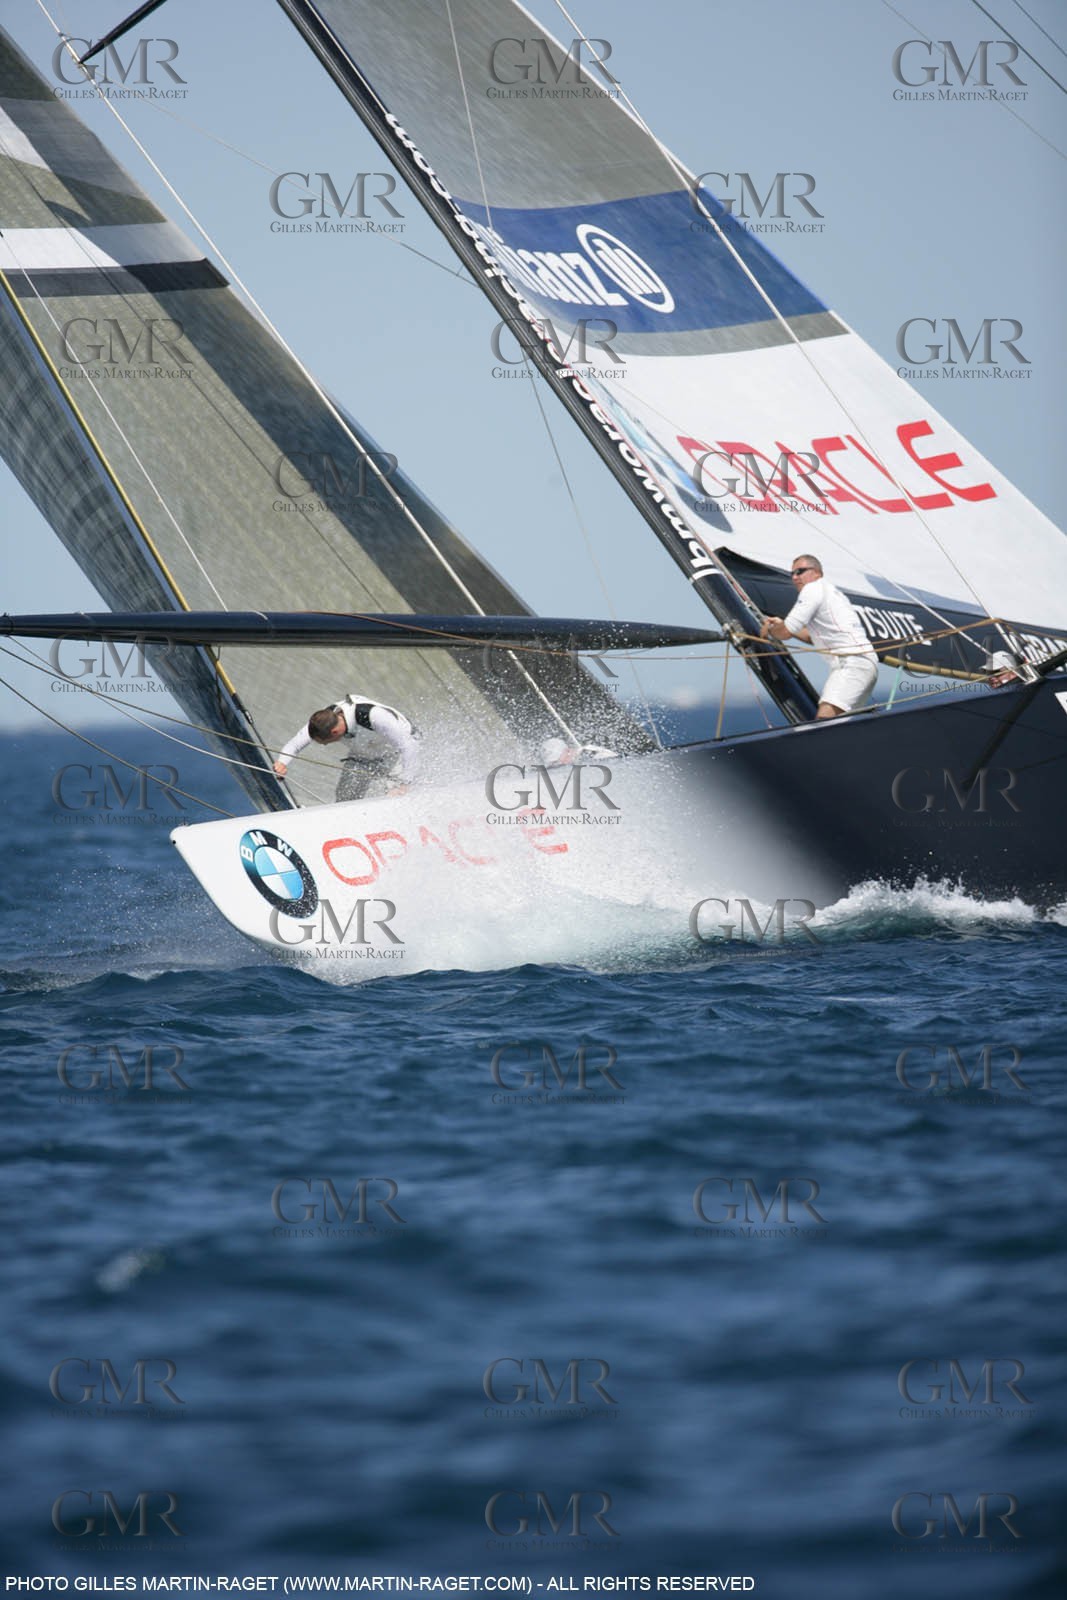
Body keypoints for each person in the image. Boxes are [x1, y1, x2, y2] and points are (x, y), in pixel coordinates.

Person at [760, 555, 878, 720]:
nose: (794, 577)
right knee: (841, 727)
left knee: (824, 722)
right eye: (792, 573)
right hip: (864, 663)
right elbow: (810, 637)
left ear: (816, 572)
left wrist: (770, 629)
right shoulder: (831, 591)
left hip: (851, 663)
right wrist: (781, 624)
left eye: (800, 571)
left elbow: (784, 633)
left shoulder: (812, 589)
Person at [273, 693, 420, 801]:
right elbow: (294, 744)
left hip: (397, 754)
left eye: (325, 742)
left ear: (335, 732)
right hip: (363, 755)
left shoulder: (374, 716)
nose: (324, 744)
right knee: (344, 798)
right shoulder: (323, 721)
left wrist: (405, 782)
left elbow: (409, 746)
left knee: (394, 798)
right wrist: (282, 763)